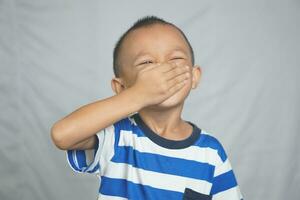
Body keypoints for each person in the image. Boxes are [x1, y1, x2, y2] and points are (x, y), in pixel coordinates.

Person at [51, 15, 243, 200]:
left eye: (175, 59)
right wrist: (137, 95)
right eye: (147, 63)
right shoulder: (117, 135)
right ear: (121, 87)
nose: (162, 70)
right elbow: (62, 135)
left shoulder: (211, 153)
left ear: (194, 76)